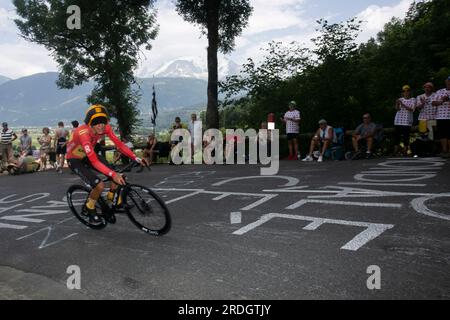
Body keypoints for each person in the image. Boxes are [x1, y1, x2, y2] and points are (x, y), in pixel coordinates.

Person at [66, 104, 148, 222]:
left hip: (88, 155)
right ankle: (89, 207)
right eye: (97, 123)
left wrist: (136, 158)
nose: (101, 126)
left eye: (103, 122)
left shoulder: (106, 128)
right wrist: (113, 175)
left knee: (114, 173)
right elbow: (94, 161)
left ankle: (112, 197)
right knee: (99, 185)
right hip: (74, 159)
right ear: (90, 123)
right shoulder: (83, 134)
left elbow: (119, 145)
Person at [394, 85, 416, 156]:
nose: (406, 92)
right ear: (402, 93)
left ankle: (405, 152)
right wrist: (397, 104)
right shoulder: (400, 99)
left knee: (406, 137)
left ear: (410, 92)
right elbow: (397, 109)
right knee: (397, 137)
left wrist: (402, 104)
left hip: (407, 121)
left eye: (407, 91)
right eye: (404, 91)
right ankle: (395, 151)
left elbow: (412, 109)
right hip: (398, 120)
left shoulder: (413, 99)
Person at [432, 76, 450, 158]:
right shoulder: (439, 91)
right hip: (441, 117)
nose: (449, 83)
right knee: (442, 135)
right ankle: (444, 150)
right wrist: (442, 101)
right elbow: (433, 103)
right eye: (448, 81)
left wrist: (448, 99)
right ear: (446, 82)